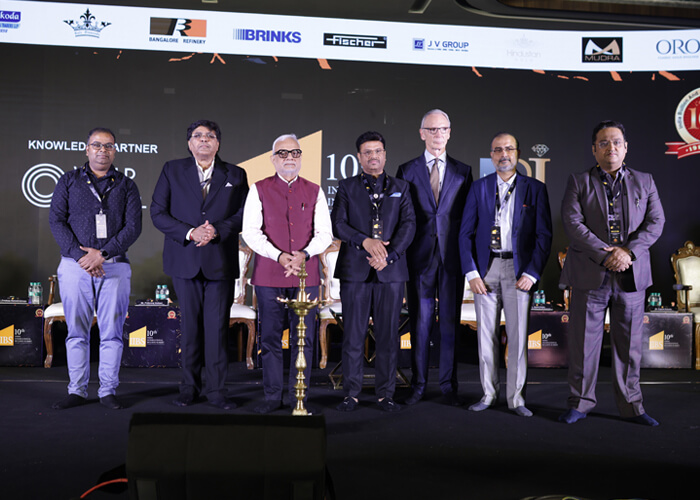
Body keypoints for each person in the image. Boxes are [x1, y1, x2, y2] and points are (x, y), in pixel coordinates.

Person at [559, 120, 665, 426]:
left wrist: (627, 252)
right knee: (583, 345)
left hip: (631, 275)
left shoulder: (645, 181)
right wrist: (607, 255)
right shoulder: (578, 181)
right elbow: (572, 223)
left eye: (616, 142)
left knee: (630, 347)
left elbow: (656, 222)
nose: (611, 147)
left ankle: (632, 406)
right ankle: (580, 404)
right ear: (594, 149)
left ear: (625, 147)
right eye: (604, 143)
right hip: (590, 274)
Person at [151, 119, 248, 410]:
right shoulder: (172, 169)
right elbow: (158, 212)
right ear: (189, 143)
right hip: (185, 260)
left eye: (210, 136)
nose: (204, 140)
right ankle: (188, 389)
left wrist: (216, 230)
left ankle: (217, 391)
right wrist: (191, 232)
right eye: (198, 135)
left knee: (217, 330)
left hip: (219, 261)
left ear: (218, 143)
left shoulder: (236, 174)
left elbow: (244, 215)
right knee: (190, 328)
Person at [459, 132, 552, 417]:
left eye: (508, 149)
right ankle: (488, 395)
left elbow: (544, 235)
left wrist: (532, 273)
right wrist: (472, 273)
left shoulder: (535, 189)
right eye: (498, 150)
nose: (503, 154)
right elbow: (465, 234)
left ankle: (516, 400)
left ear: (518, 154)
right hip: (486, 270)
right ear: (491, 156)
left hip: (519, 270)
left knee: (518, 338)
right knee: (485, 337)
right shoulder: (479, 188)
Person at [49, 127, 142, 410]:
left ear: (115, 150)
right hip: (75, 266)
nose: (103, 150)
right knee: (76, 333)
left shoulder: (126, 185)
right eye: (97, 145)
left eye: (109, 146)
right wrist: (83, 257)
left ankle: (107, 391)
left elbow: (133, 227)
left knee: (112, 333)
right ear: (87, 149)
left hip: (114, 267)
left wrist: (101, 255)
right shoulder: (68, 181)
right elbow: (56, 221)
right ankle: (76, 390)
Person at [242, 134, 332, 414]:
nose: (289, 157)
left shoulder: (315, 190)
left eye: (295, 152)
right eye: (283, 153)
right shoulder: (258, 189)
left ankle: (298, 396)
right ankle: (272, 397)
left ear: (301, 157)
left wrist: (303, 254)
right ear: (273, 159)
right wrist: (279, 256)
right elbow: (250, 232)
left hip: (307, 276)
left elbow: (325, 234)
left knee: (303, 339)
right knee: (269, 338)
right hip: (269, 275)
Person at [331, 131, 416, 412]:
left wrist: (389, 257)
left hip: (390, 272)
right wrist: (364, 241)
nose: (373, 156)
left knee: (388, 336)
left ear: (385, 154)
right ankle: (351, 394)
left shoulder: (402, 187)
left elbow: (409, 226)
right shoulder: (346, 187)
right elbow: (338, 224)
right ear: (359, 157)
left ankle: (386, 394)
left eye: (378, 151)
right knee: (353, 335)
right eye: (367, 152)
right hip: (355, 271)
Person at [396, 109, 472, 406]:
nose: (438, 134)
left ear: (449, 133)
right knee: (420, 323)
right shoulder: (407, 170)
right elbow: (402, 218)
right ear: (422, 133)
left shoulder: (463, 171)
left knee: (450, 324)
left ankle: (449, 387)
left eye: (443, 129)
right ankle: (418, 385)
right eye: (432, 129)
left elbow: (468, 219)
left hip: (452, 258)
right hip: (419, 258)